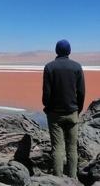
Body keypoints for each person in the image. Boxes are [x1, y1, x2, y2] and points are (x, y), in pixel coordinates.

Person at [42, 39, 85, 178]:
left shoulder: (49, 67)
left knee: (57, 148)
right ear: (69, 51)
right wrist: (78, 109)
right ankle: (73, 177)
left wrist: (47, 107)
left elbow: (46, 93)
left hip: (55, 114)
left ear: (56, 51)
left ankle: (58, 179)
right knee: (72, 148)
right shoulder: (77, 67)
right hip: (72, 112)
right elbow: (81, 92)